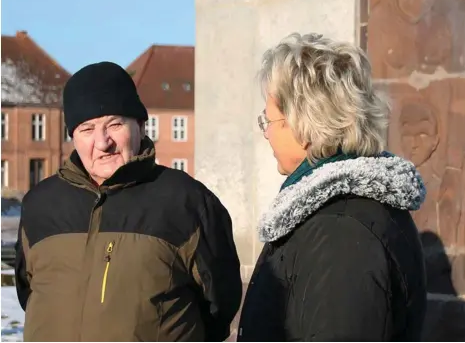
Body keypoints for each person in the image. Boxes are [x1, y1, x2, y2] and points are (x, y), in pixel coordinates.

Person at [15, 62, 242, 341]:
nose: (102, 142)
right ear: (72, 135)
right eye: (87, 129)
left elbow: (220, 304)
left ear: (141, 126)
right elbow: (28, 292)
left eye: (114, 124)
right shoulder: (40, 205)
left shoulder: (187, 202)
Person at [237, 33, 427, 341]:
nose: (266, 135)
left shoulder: (340, 231)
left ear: (304, 124)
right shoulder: (337, 215)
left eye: (269, 121)